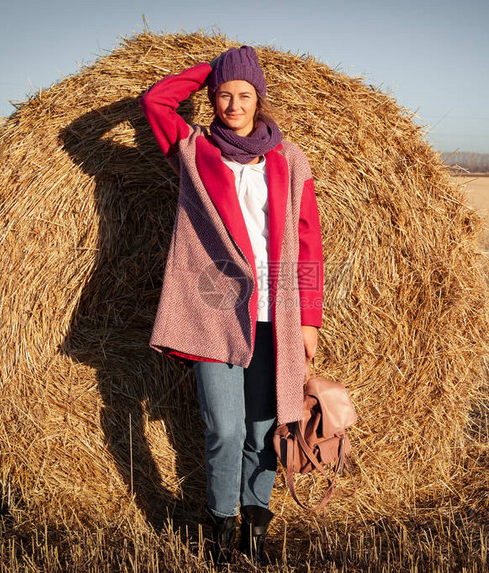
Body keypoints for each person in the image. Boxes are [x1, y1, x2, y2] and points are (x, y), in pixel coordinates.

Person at [139, 45, 324, 564]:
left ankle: (254, 531)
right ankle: (219, 530)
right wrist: (210, 69)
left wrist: (309, 318)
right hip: (213, 309)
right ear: (212, 97)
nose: (234, 105)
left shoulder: (290, 159)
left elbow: (307, 241)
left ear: (259, 98)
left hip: (276, 313)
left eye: (244, 94)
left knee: (266, 431)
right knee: (226, 428)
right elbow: (156, 100)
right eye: (224, 94)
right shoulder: (195, 149)